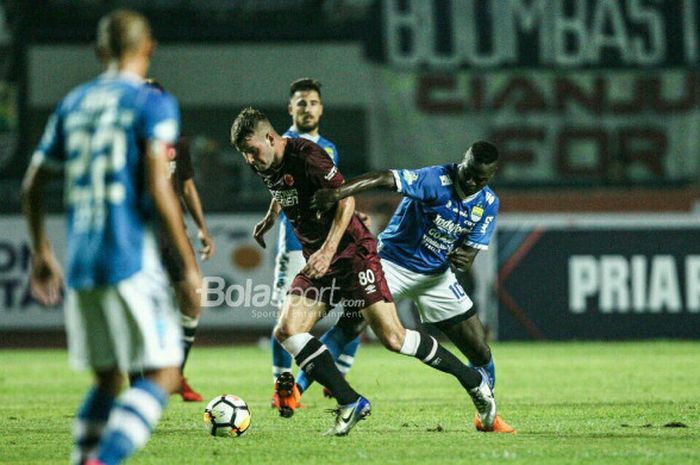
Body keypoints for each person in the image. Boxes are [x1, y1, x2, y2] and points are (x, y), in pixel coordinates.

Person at [230, 107, 499, 436]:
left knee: (393, 338)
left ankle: (471, 379)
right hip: (322, 257)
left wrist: (328, 251)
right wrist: (272, 217)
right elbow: (284, 190)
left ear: (271, 138)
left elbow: (345, 202)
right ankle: (350, 401)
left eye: (252, 151)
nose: (249, 159)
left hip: (353, 254)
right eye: (244, 154)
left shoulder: (308, 156)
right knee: (287, 330)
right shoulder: (268, 162)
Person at [21, 10, 201, 465]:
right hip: (129, 255)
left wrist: (42, 251)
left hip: (80, 261)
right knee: (162, 373)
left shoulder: (73, 103)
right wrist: (188, 264)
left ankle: (85, 458)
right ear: (149, 48)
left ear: (100, 52)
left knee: (107, 380)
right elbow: (161, 186)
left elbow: (32, 185)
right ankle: (105, 460)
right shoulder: (152, 103)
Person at [310, 141, 514, 433]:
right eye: (468, 173)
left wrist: (463, 259)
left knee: (480, 348)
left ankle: (488, 416)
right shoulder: (436, 179)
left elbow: (469, 254)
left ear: (491, 176)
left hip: (436, 277)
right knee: (351, 325)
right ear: (462, 162)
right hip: (390, 264)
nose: (470, 182)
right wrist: (337, 192)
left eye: (480, 179)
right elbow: (383, 177)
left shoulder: (489, 204)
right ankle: (294, 392)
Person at [270, 78, 361, 407]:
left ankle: (334, 375)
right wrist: (271, 215)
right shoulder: (280, 143)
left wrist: (353, 214)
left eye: (312, 102)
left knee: (355, 308)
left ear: (321, 108)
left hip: (331, 245)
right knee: (288, 318)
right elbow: (278, 187)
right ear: (290, 108)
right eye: (301, 102)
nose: (307, 108)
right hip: (296, 245)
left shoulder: (329, 146)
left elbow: (335, 190)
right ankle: (280, 385)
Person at [145, 79, 216, 402]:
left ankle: (176, 374)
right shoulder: (127, 140)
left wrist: (202, 228)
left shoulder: (177, 141)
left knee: (192, 296)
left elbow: (186, 186)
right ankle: (140, 380)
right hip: (139, 232)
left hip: (172, 232)